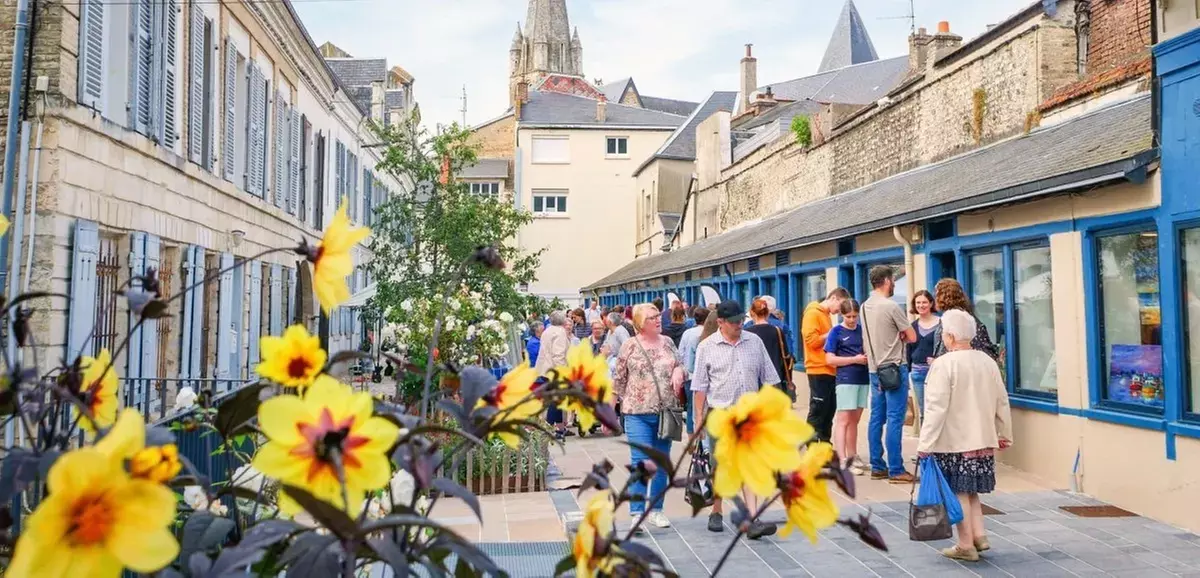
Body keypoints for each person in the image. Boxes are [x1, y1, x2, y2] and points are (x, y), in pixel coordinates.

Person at [918, 309, 1013, 562]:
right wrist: (1004, 433)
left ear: (949, 336)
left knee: (958, 490)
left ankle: (965, 544)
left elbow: (936, 408)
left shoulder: (944, 364)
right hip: (983, 438)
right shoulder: (987, 361)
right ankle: (980, 535)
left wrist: (925, 444)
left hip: (955, 441)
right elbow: (1002, 401)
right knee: (971, 491)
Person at [692, 300, 781, 539]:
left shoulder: (755, 342)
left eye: (742, 320)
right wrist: (698, 420)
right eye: (734, 322)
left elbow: (771, 379)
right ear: (720, 322)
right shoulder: (706, 347)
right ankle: (717, 510)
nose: (739, 325)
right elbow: (699, 388)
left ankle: (752, 519)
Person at [612, 303, 685, 531]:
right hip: (637, 412)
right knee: (641, 461)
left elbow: (681, 364)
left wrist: (678, 371)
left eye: (658, 316)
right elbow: (619, 380)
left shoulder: (669, 343)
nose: (658, 320)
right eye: (652, 317)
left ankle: (656, 510)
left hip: (666, 411)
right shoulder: (629, 346)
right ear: (640, 323)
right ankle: (636, 512)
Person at [862, 266, 918, 483]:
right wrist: (900, 336)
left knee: (876, 418)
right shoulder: (891, 306)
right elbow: (912, 336)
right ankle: (896, 469)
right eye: (893, 280)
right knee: (895, 419)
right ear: (886, 281)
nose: (894, 283)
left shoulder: (865, 306)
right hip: (894, 367)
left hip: (874, 370)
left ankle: (877, 465)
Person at [823, 299, 870, 475]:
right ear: (842, 315)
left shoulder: (862, 331)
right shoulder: (836, 332)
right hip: (846, 380)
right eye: (848, 316)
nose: (852, 320)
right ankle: (841, 459)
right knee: (843, 419)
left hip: (862, 379)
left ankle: (852, 455)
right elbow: (830, 359)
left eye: (854, 316)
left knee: (855, 420)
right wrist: (854, 360)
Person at [801, 287, 851, 443]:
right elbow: (811, 341)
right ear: (834, 298)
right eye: (841, 305)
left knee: (829, 410)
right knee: (818, 409)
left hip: (829, 368)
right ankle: (813, 447)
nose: (840, 310)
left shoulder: (825, 315)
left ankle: (824, 445)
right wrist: (832, 333)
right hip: (818, 368)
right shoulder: (813, 313)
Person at [931, 278, 1000, 361]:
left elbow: (983, 351)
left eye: (936, 295)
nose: (935, 299)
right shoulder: (950, 316)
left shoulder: (960, 318)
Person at [745, 298, 794, 399]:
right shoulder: (778, 331)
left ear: (752, 313)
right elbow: (787, 355)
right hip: (775, 378)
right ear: (768, 313)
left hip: (753, 380)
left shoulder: (747, 332)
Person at [536, 311, 573, 440]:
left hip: (545, 369)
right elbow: (559, 355)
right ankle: (549, 428)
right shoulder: (560, 333)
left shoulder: (547, 331)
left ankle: (559, 429)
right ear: (563, 321)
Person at [678, 306, 711, 434]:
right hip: (707, 376)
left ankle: (692, 435)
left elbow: (680, 353)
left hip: (690, 376)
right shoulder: (711, 333)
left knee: (692, 406)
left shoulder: (687, 333)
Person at [908, 290, 940, 418]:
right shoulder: (912, 326)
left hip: (936, 371)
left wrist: (938, 360)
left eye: (924, 302)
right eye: (918, 303)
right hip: (918, 372)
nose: (921, 305)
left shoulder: (941, 324)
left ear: (931, 303)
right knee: (924, 411)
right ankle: (925, 438)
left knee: (937, 409)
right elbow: (908, 350)